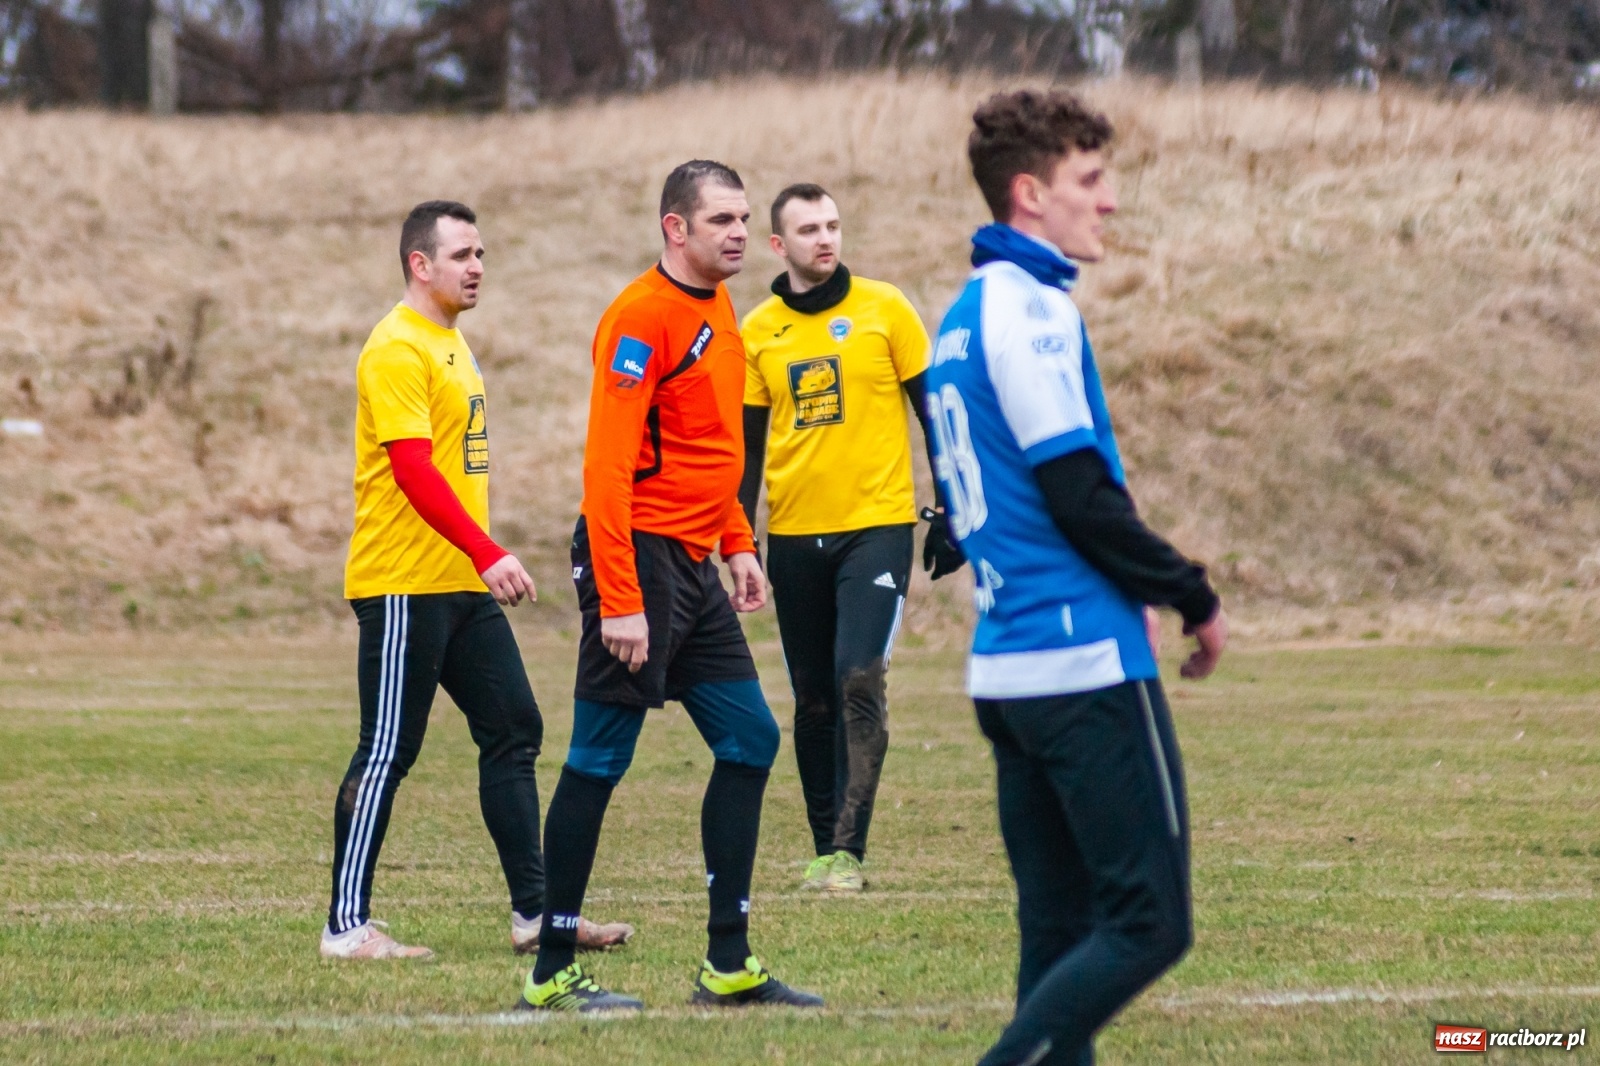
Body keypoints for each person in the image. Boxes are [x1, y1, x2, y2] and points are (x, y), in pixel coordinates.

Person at [925, 92, 1229, 1065]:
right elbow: (1078, 495)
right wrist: (1190, 590)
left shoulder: (961, 318)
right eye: (1088, 182)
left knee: (1056, 935)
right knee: (1150, 923)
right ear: (1029, 195)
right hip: (1079, 661)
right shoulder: (1032, 310)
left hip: (1006, 669)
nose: (1107, 203)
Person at [517, 162, 823, 1012]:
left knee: (751, 739)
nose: (736, 232)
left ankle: (728, 965)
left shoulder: (720, 308)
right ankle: (550, 972)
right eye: (719, 219)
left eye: (743, 218)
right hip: (639, 561)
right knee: (598, 758)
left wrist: (737, 543)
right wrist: (619, 597)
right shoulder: (640, 316)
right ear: (674, 229)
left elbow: (710, 447)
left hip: (693, 560)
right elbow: (606, 472)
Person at [323, 200, 632, 961]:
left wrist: (477, 560)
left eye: (482, 253)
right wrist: (488, 549)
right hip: (405, 583)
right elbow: (412, 470)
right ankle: (344, 927)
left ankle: (536, 915)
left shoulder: (452, 345)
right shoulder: (397, 348)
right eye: (462, 255)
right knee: (388, 746)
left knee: (514, 726)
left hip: (458, 584)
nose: (478, 267)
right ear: (419, 265)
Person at [737, 184, 964, 893]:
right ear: (779, 245)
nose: (825, 239)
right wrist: (738, 539)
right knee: (812, 697)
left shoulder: (885, 308)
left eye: (833, 225)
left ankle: (849, 851)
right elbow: (744, 452)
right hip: (795, 536)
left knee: (858, 673)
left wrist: (952, 507)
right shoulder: (758, 331)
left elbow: (937, 415)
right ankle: (822, 844)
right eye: (808, 229)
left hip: (878, 527)